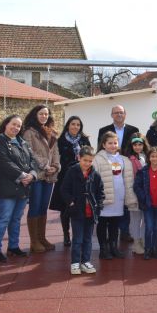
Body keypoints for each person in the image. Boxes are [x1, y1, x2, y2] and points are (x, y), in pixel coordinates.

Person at [0, 114, 37, 262]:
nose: (16, 128)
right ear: (6, 124)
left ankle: (13, 247)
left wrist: (32, 175)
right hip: (6, 189)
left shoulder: (23, 142)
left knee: (16, 219)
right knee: (3, 218)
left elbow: (32, 161)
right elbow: (4, 162)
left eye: (18, 126)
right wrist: (23, 176)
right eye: (13, 124)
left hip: (23, 189)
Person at [98, 104, 140, 243]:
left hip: (126, 167)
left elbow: (136, 149)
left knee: (125, 200)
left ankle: (125, 232)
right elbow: (100, 150)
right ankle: (109, 237)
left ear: (125, 114)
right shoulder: (103, 130)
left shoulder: (133, 130)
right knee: (110, 201)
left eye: (121, 112)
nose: (119, 115)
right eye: (116, 113)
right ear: (112, 115)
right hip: (108, 168)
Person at [22, 105, 61, 254]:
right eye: (41, 113)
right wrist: (45, 165)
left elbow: (56, 152)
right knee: (35, 206)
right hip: (37, 175)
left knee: (43, 207)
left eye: (46, 114)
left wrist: (56, 166)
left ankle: (42, 238)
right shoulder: (29, 132)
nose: (44, 116)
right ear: (35, 114)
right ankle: (34, 241)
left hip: (50, 176)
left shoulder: (52, 132)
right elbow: (29, 152)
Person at [60, 145, 104, 275]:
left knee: (88, 239)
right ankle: (75, 263)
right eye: (85, 160)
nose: (87, 163)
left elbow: (100, 191)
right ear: (79, 158)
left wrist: (99, 205)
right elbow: (64, 189)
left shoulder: (95, 174)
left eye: (90, 161)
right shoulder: (71, 172)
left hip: (91, 211)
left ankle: (85, 261)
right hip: (77, 211)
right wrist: (71, 202)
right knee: (77, 238)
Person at [93, 131, 136, 260]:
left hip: (118, 197)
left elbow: (127, 179)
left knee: (115, 223)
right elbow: (94, 179)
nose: (113, 145)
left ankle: (113, 247)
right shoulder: (97, 159)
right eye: (110, 143)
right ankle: (103, 249)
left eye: (115, 143)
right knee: (102, 223)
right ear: (104, 145)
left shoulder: (123, 159)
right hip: (105, 197)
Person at [52, 116, 90, 248]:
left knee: (80, 206)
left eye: (78, 125)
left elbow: (90, 156)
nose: (75, 127)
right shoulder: (60, 141)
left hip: (82, 177)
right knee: (65, 207)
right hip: (65, 178)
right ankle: (66, 234)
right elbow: (57, 158)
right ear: (68, 125)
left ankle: (77, 234)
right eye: (73, 124)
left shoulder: (85, 140)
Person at [133, 147, 157, 260]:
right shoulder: (143, 171)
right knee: (149, 227)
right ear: (148, 157)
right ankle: (147, 249)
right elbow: (136, 186)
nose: (155, 158)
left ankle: (155, 249)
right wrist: (143, 197)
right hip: (148, 205)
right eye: (152, 156)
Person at [124, 134, 149, 256]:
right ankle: (136, 242)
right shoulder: (128, 159)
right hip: (134, 192)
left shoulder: (146, 157)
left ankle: (143, 240)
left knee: (145, 218)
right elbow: (128, 179)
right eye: (135, 145)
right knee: (135, 219)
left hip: (145, 192)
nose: (138, 147)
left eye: (140, 144)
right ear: (131, 145)